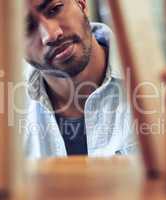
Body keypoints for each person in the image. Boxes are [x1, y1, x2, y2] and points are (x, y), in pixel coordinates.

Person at [23, 0, 139, 158]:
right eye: (27, 28)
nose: (51, 34)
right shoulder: (0, 124)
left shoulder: (155, 80)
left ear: (81, 2)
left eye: (54, 9)